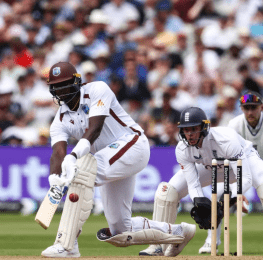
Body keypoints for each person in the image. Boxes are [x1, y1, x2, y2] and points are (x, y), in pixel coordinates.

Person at [40, 62, 196, 258]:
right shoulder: (60, 119)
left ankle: (66, 244)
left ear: (77, 82)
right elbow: (57, 152)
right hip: (109, 159)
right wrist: (54, 179)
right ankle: (179, 232)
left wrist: (73, 157)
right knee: (121, 230)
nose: (62, 91)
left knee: (82, 171)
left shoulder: (97, 89)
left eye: (65, 85)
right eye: (57, 87)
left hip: (133, 144)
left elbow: (94, 129)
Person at [139, 106, 263, 256]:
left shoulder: (226, 139)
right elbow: (193, 184)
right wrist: (200, 203)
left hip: (243, 162)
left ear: (204, 127)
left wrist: (224, 203)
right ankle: (157, 246)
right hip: (208, 166)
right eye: (186, 129)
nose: (190, 134)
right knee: (166, 193)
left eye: (194, 129)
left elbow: (244, 178)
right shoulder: (182, 149)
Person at [207, 91, 263, 254]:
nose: (250, 112)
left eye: (253, 108)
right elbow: (229, 156)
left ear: (262, 107)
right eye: (246, 108)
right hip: (245, 163)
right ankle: (211, 241)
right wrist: (238, 190)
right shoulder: (234, 125)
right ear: (241, 108)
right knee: (220, 192)